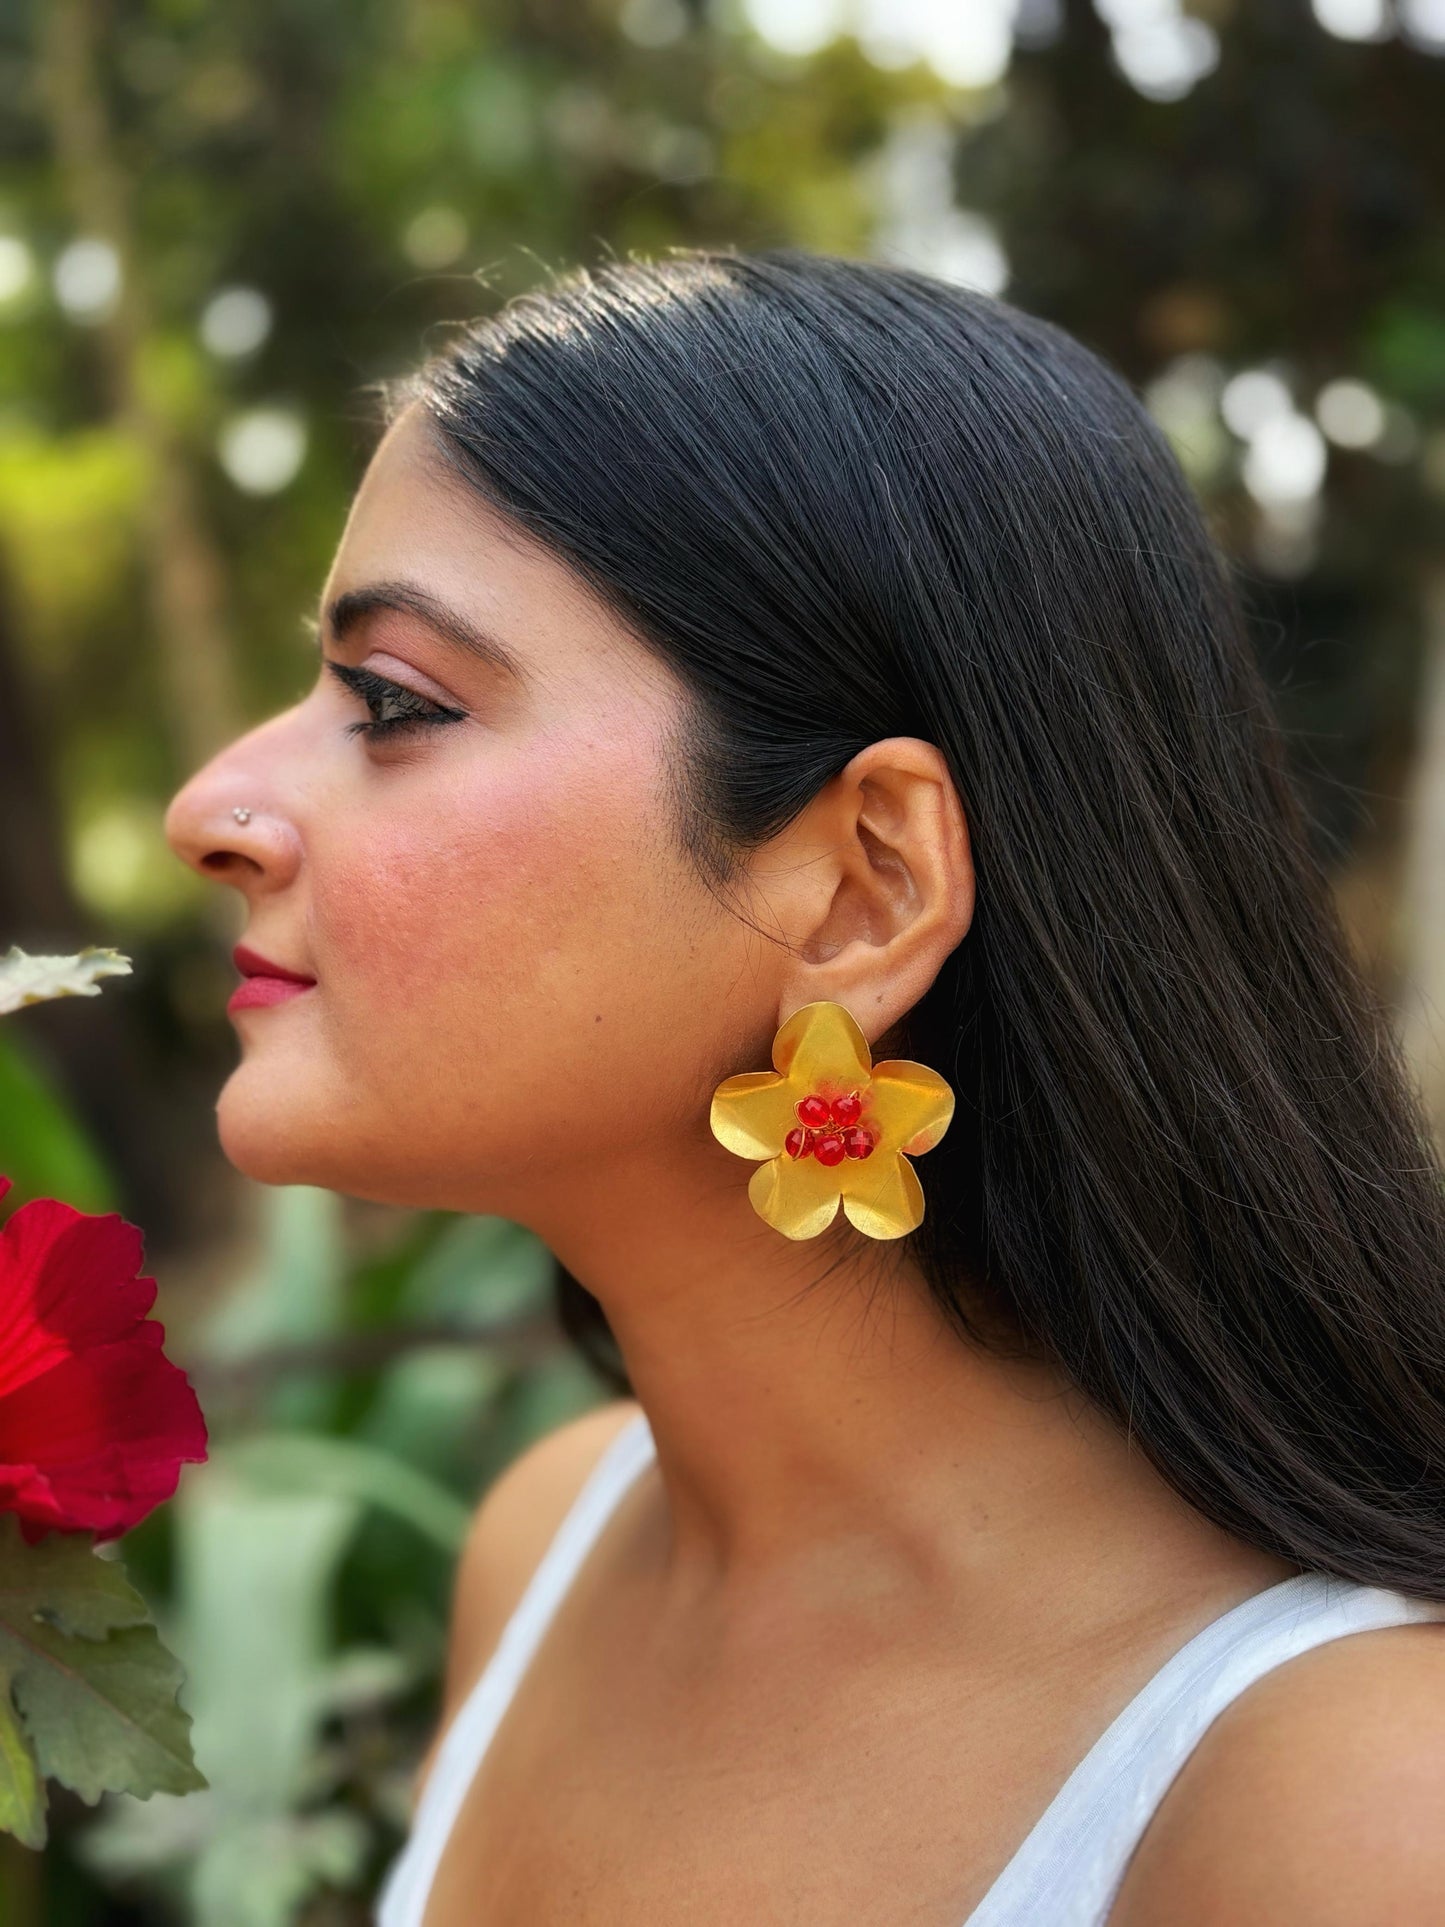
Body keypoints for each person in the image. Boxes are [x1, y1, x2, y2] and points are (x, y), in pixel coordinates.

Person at [164, 248, 1445, 1925]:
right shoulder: (544, 1551)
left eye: (394, 701)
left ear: (860, 890)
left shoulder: (1345, 1802)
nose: (210, 806)